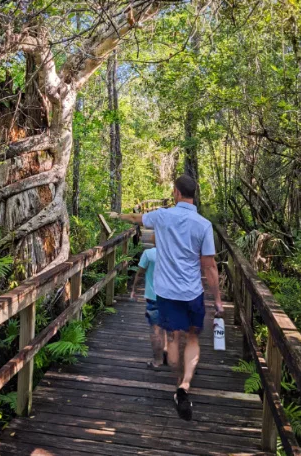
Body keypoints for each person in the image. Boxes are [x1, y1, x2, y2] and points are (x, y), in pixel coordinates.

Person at [109, 174, 224, 421]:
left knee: (173, 338)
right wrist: (217, 300)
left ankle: (175, 378)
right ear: (194, 195)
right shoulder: (204, 225)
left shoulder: (162, 215)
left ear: (176, 193)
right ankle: (185, 386)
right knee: (192, 337)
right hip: (192, 292)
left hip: (166, 293)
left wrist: (119, 216)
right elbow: (209, 266)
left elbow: (138, 218)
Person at [130, 239, 168, 370]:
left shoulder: (148, 253)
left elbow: (139, 272)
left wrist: (134, 289)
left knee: (156, 330)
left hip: (154, 297)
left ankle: (158, 361)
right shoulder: (173, 253)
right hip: (172, 297)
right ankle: (167, 353)